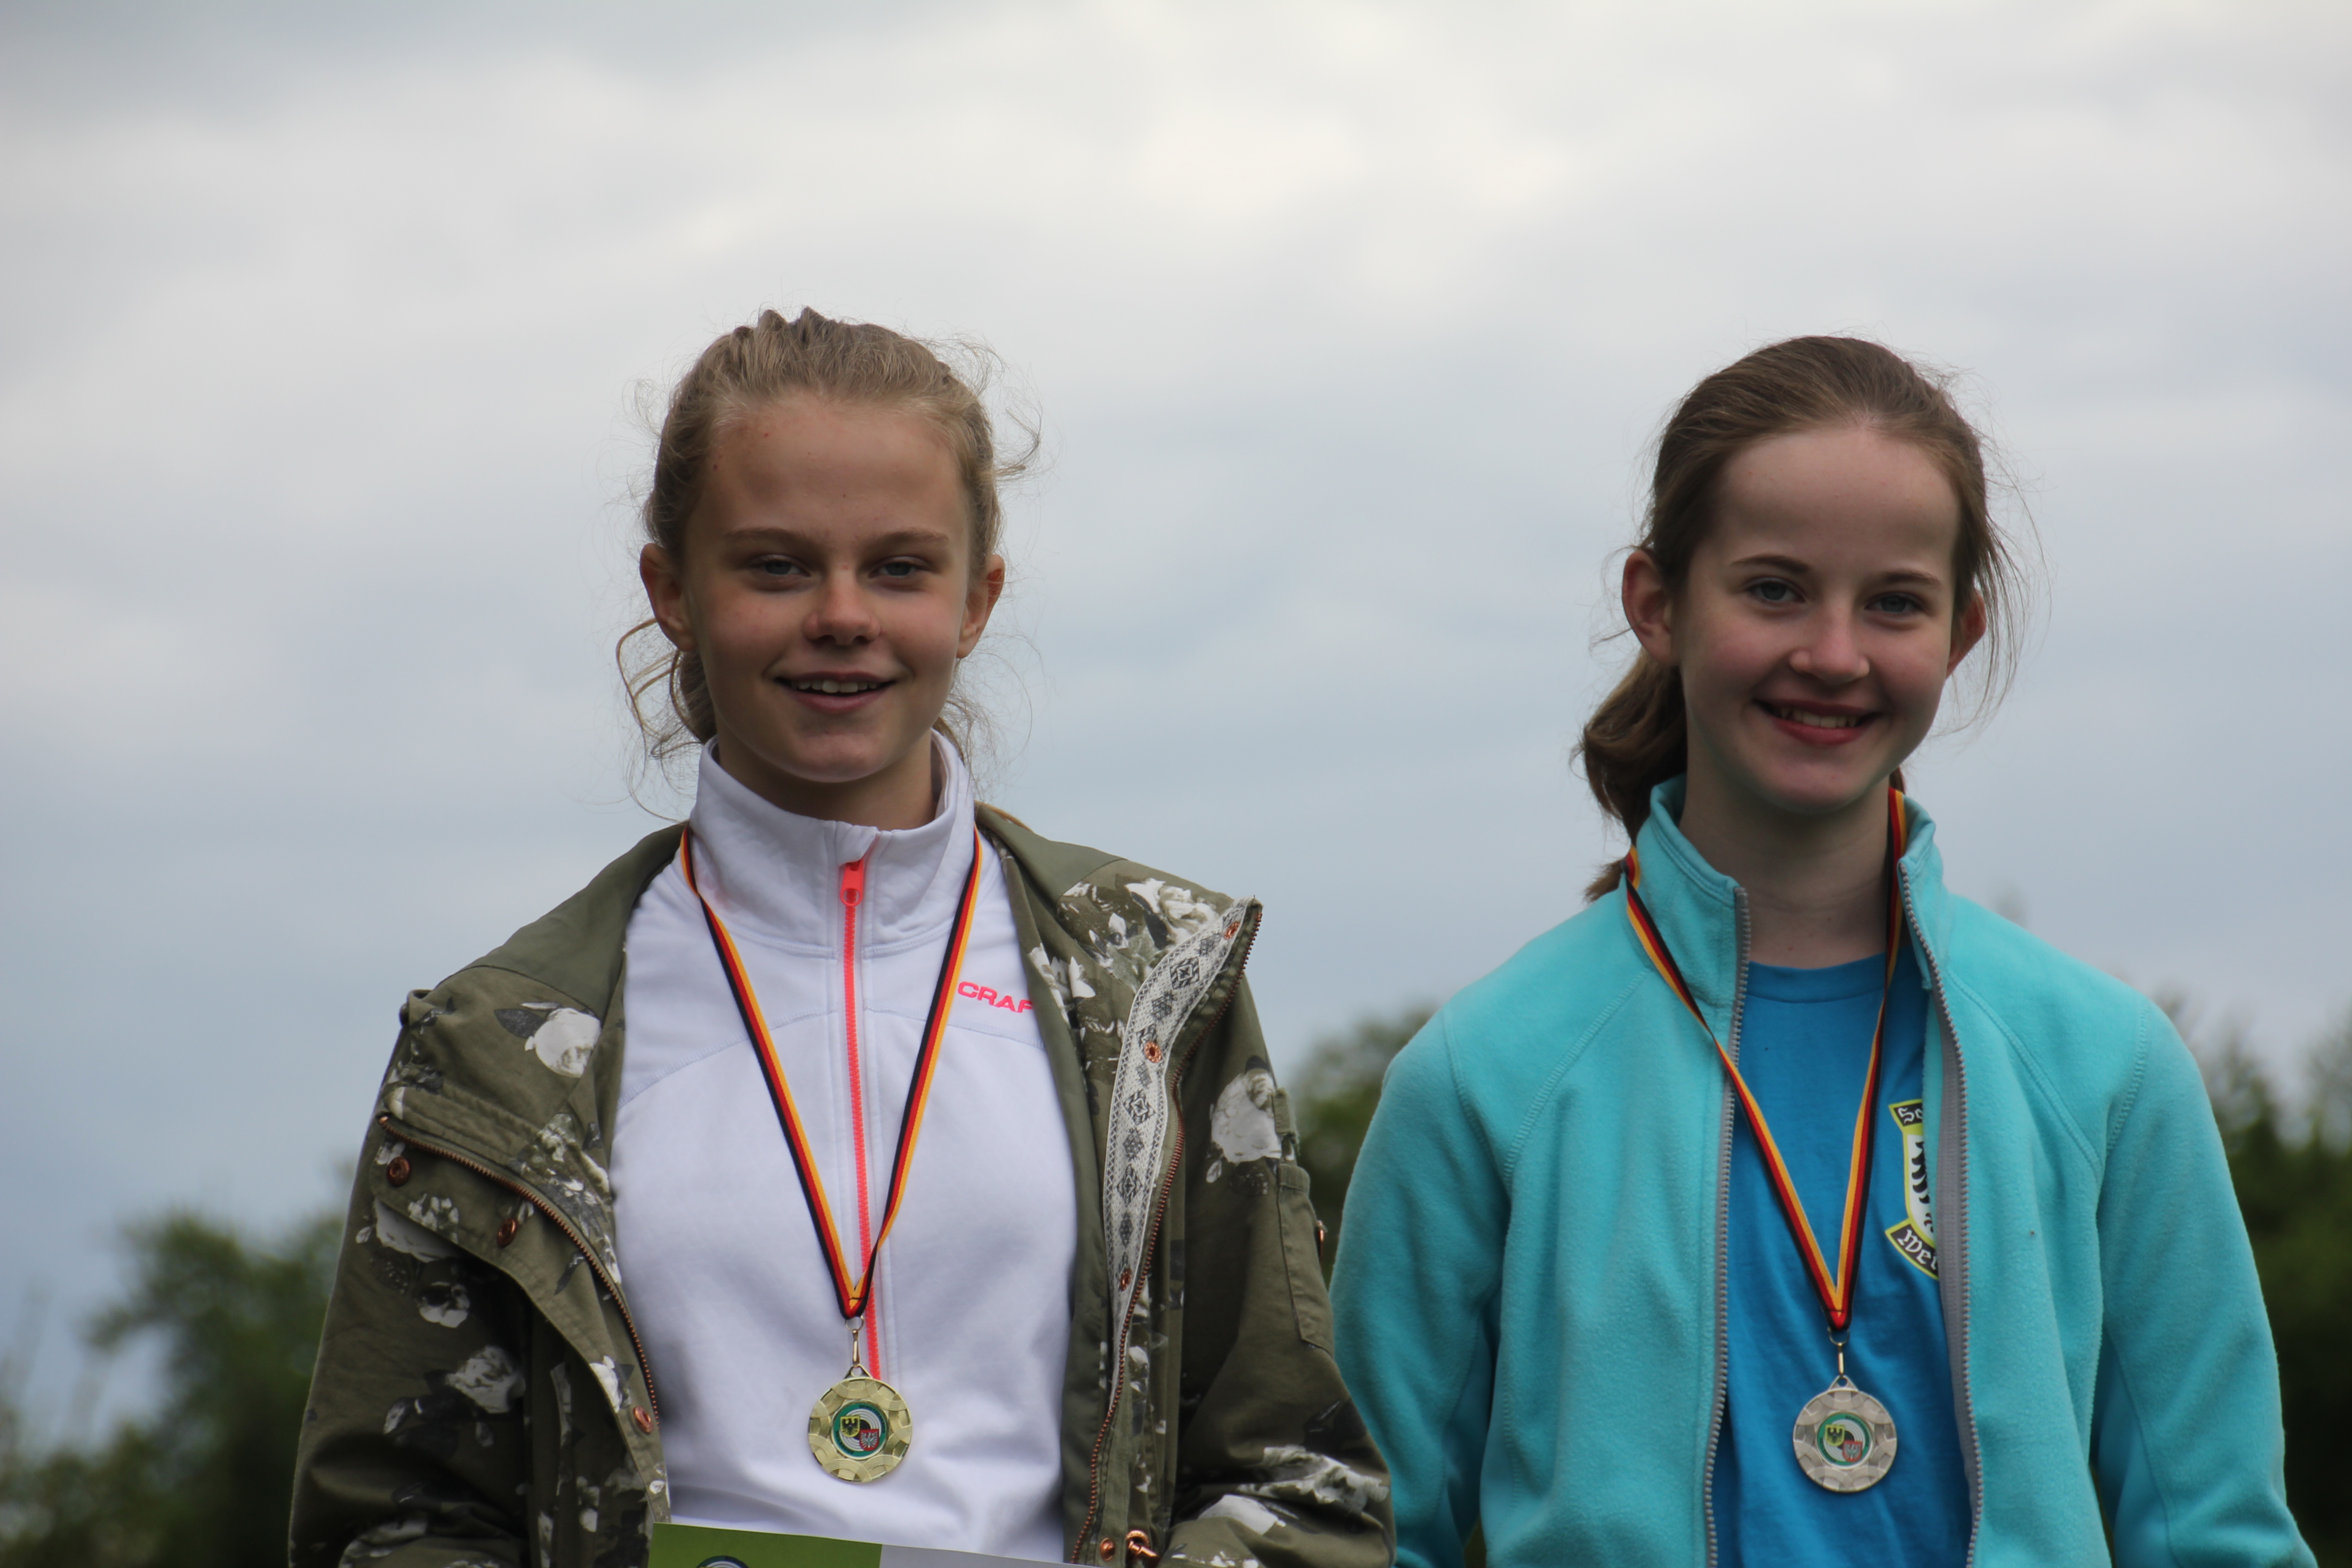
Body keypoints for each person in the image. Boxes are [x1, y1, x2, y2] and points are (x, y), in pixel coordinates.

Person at [290, 309, 1391, 1568]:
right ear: (672, 594)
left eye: (901, 568)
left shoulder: (1160, 990)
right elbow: (394, 1529)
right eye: (776, 567)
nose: (842, 614)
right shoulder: (495, 1053)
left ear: (978, 599)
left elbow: (1302, 1486)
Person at [1329, 337, 2310, 1566]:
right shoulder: (1484, 1075)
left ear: (1961, 631)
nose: (1835, 655)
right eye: (1775, 589)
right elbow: (1361, 1538)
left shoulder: (2104, 1064)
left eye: (1894, 602)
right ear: (1657, 604)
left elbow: (2218, 1535)